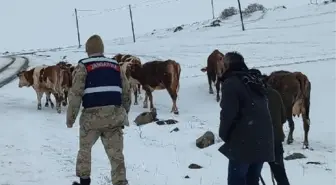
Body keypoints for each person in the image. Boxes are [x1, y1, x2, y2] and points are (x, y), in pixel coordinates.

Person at [66, 34, 132, 185]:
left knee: (85, 150)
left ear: (88, 50)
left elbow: (75, 95)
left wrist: (71, 118)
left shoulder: (84, 66)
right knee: (116, 155)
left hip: (91, 119)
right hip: (114, 116)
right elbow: (126, 92)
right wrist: (124, 112)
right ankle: (120, 182)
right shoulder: (115, 65)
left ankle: (84, 181)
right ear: (102, 49)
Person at [218, 51, 275, 185]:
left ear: (227, 65)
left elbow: (228, 113)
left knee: (236, 180)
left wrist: (224, 134)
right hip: (264, 139)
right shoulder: (253, 80)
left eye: (222, 63)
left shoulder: (231, 83)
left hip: (244, 141)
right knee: (252, 180)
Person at [265, 85, 290, 185]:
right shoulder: (275, 93)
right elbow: (283, 118)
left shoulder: (252, 94)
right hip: (276, 138)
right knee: (280, 174)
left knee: (252, 174)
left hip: (258, 141)